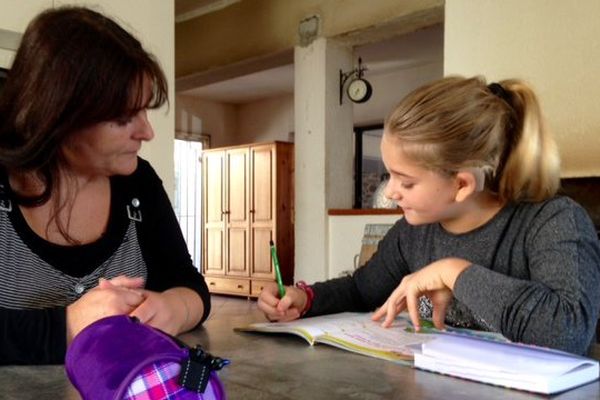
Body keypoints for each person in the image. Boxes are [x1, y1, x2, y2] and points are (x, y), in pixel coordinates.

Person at [258, 76, 600, 355]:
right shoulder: (413, 232)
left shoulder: (553, 222)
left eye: (406, 181)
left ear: (462, 184)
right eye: (390, 176)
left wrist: (453, 272)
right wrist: (304, 298)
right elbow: (362, 289)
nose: (391, 192)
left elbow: (569, 332)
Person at [0, 6, 210, 365]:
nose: (147, 132)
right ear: (59, 117)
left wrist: (172, 307)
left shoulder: (139, 183)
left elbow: (191, 287)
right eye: (123, 117)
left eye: (144, 111)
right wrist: (69, 326)